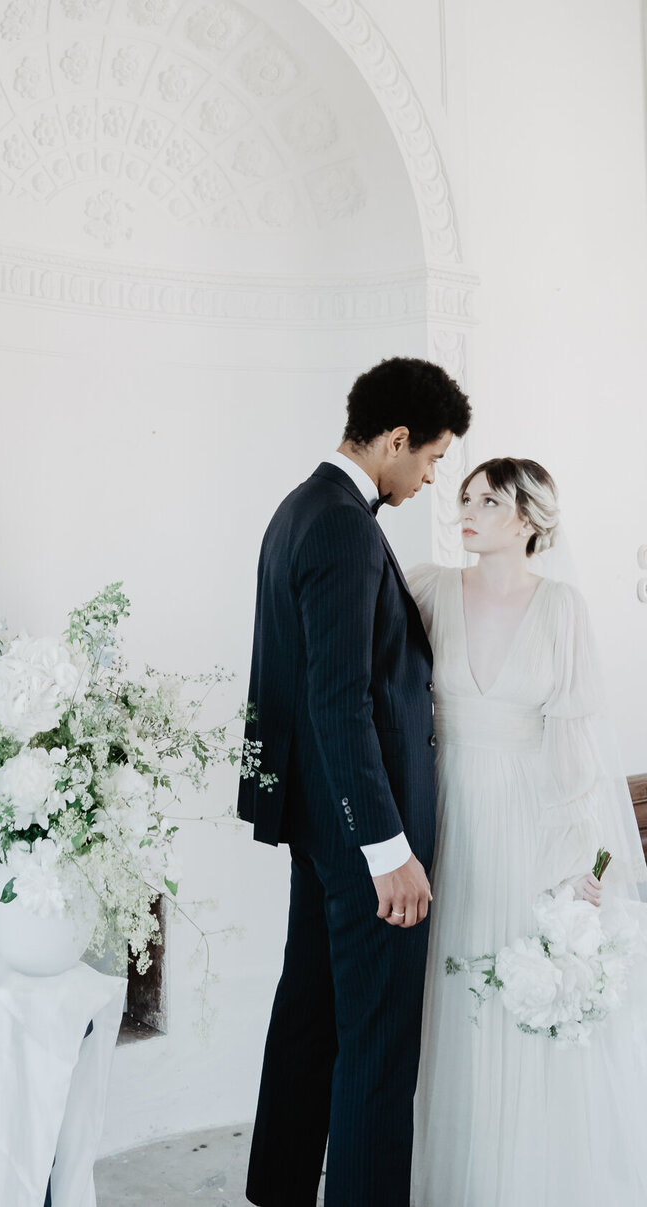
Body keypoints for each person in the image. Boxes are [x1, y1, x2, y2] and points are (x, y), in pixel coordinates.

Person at [238, 355, 472, 1207]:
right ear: (397, 439)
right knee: (377, 1047)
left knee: (311, 1012)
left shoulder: (301, 508)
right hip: (361, 831)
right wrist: (388, 848)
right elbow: (337, 700)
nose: (432, 476)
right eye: (434, 459)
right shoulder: (340, 523)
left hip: (317, 821)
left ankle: (279, 1189)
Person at [408, 458, 647, 1207]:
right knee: (447, 986)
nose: (467, 509)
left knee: (517, 980)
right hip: (445, 811)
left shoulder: (562, 606)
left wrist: (582, 857)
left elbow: (575, 742)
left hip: (528, 820)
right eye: (465, 495)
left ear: (530, 519)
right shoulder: (429, 588)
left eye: (488, 499)